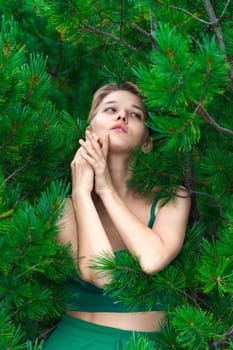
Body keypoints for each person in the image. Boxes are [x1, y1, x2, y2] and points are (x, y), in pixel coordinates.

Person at [45, 82, 191, 349]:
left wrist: (105, 188)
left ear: (147, 142)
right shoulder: (63, 207)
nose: (122, 117)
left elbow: (151, 258)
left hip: (143, 343)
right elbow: (101, 274)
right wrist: (81, 192)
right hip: (73, 341)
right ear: (90, 131)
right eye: (110, 109)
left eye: (135, 114)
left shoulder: (171, 199)